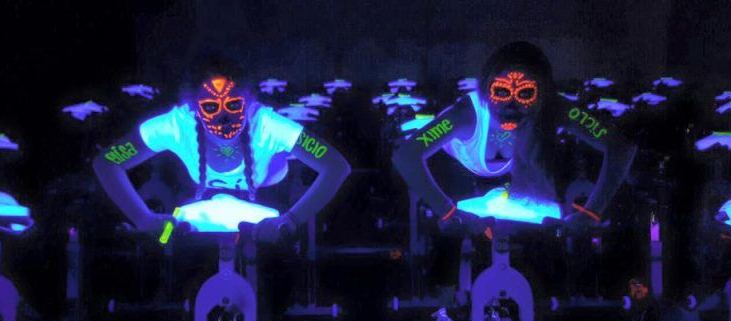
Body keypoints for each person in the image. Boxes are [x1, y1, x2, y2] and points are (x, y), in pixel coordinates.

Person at [392, 41, 637, 232]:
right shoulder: (466, 113)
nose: (510, 105)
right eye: (501, 91)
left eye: (525, 93)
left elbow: (620, 147)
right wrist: (447, 212)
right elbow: (406, 156)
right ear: (485, 90)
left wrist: (591, 213)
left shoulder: (554, 107)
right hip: (453, 169)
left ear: (543, 94)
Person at [93, 72, 351, 242]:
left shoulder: (269, 126)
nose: (223, 118)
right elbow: (107, 161)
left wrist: (291, 221)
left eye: (233, 105)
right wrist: (143, 219)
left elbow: (337, 166)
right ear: (194, 108)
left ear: (249, 103)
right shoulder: (177, 123)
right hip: (196, 232)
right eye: (210, 107)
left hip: (267, 226)